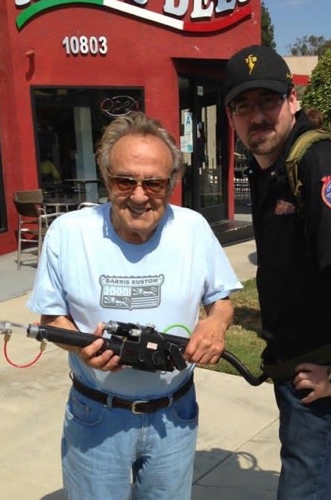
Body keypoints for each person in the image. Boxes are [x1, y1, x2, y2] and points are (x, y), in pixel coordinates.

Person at [27, 111, 242, 500]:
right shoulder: (69, 233)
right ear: (107, 179)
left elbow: (221, 301)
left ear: (171, 182)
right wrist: (80, 347)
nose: (140, 196)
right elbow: (51, 316)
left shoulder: (193, 228)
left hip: (173, 416)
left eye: (154, 183)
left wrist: (215, 325)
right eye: (125, 181)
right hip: (97, 414)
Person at [223, 45, 331, 500]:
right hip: (299, 368)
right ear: (231, 117)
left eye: (268, 101)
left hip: (320, 376)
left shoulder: (318, 163)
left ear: (293, 100)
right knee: (329, 482)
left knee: (310, 487)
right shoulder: (270, 166)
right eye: (243, 106)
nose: (257, 116)